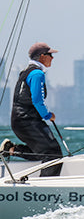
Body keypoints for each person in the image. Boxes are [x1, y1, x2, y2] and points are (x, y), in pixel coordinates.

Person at [1, 42, 64, 176]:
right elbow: (37, 100)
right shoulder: (37, 74)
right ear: (42, 56)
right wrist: (48, 115)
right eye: (50, 55)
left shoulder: (26, 72)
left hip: (20, 121)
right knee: (53, 153)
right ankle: (46, 186)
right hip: (27, 122)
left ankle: (10, 149)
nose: (52, 58)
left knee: (44, 152)